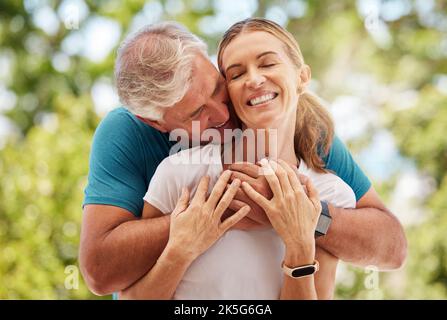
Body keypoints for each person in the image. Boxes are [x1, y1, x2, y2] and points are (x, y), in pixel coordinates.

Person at [79, 21, 407, 297]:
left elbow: (391, 247)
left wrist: (301, 214)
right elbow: (101, 272)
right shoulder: (136, 140)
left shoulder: (302, 130)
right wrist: (212, 212)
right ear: (156, 123)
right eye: (197, 113)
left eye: (217, 87)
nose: (223, 113)